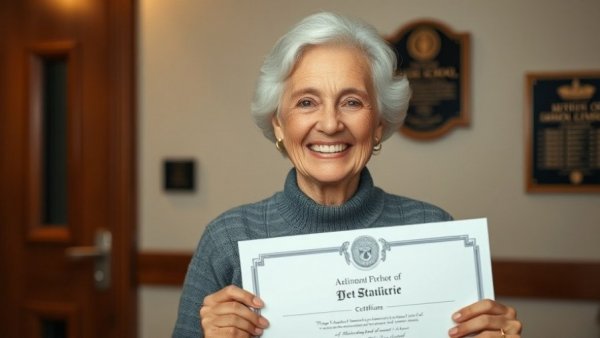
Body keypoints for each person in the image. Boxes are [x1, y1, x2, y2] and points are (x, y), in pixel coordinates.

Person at [173, 11, 522, 338]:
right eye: (307, 102)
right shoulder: (229, 238)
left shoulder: (433, 228)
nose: (329, 124)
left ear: (378, 123)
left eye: (351, 102)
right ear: (278, 123)